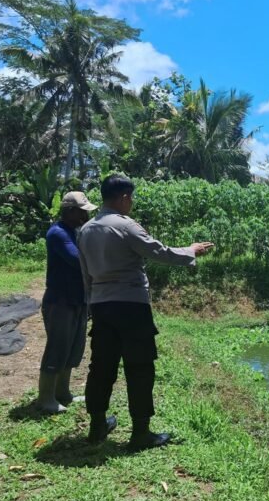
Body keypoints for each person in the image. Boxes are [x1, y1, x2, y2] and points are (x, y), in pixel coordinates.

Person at [78, 173, 214, 450]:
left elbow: (85, 274)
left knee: (101, 367)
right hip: (130, 304)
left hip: (102, 305)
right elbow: (158, 251)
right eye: (131, 198)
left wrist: (92, 303)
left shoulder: (86, 230)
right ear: (124, 197)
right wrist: (191, 250)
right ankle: (141, 433)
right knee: (139, 367)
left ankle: (97, 426)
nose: (132, 203)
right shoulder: (126, 226)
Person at [37, 191, 97, 414]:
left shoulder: (74, 231)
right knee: (57, 347)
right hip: (60, 301)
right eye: (82, 212)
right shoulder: (57, 233)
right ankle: (46, 398)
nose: (86, 216)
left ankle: (63, 392)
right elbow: (77, 260)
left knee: (73, 348)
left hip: (77, 299)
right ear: (70, 211)